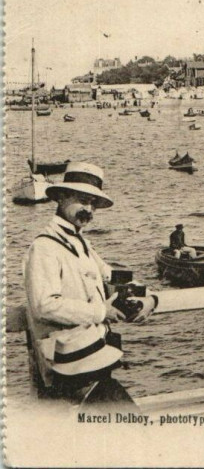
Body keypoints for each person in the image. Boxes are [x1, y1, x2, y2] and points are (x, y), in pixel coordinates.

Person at [23, 162, 157, 406]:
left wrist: (150, 298)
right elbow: (44, 305)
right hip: (70, 371)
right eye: (83, 201)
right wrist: (101, 311)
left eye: (93, 204)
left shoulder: (79, 242)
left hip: (93, 361)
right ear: (61, 197)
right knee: (133, 431)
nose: (89, 210)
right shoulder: (45, 247)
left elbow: (111, 277)